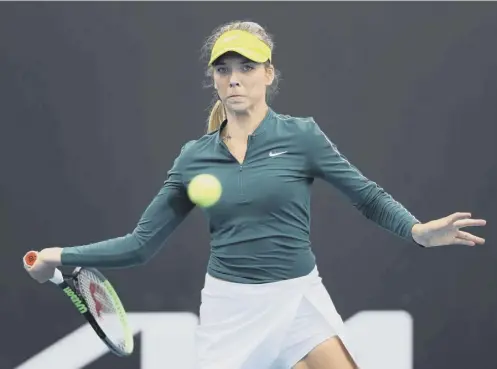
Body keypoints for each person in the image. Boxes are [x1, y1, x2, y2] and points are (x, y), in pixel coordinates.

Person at [25, 21, 486, 369]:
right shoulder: (193, 158)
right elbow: (140, 244)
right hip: (230, 309)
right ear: (214, 80)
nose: (235, 78)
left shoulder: (302, 136)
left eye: (247, 67)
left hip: (297, 296)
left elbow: (366, 195)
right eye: (224, 69)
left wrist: (418, 231)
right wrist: (59, 254)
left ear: (268, 73)